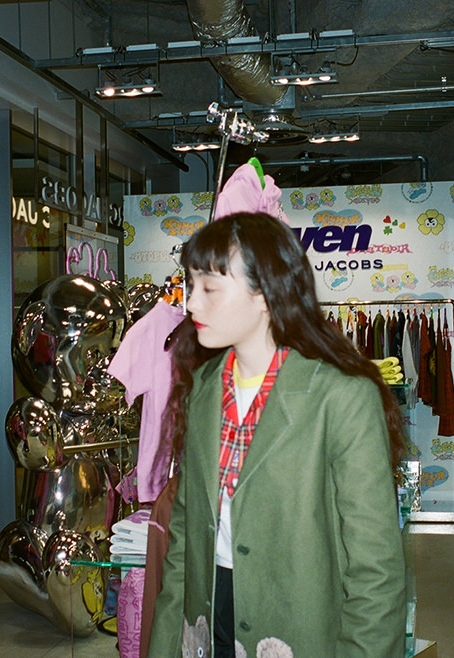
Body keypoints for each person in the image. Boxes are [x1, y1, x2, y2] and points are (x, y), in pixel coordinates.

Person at [147, 212, 408, 657]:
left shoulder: (340, 397)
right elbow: (184, 543)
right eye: (191, 286)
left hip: (299, 621)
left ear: (265, 294)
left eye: (209, 288)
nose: (191, 304)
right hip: (209, 613)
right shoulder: (204, 390)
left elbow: (376, 569)